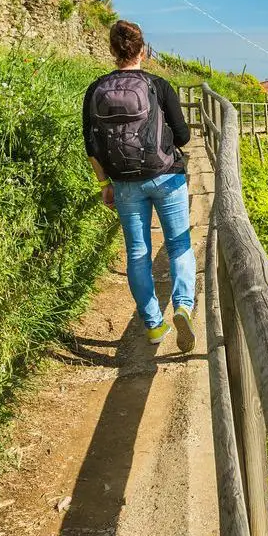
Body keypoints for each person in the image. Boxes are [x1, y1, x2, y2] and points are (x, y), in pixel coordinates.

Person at [83, 20, 196, 352]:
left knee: (138, 253)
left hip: (124, 184)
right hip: (166, 175)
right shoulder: (158, 85)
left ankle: (153, 325)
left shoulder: (95, 90)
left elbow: (90, 145)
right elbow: (184, 136)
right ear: (142, 50)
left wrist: (104, 184)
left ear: (112, 51)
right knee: (179, 246)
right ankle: (183, 306)